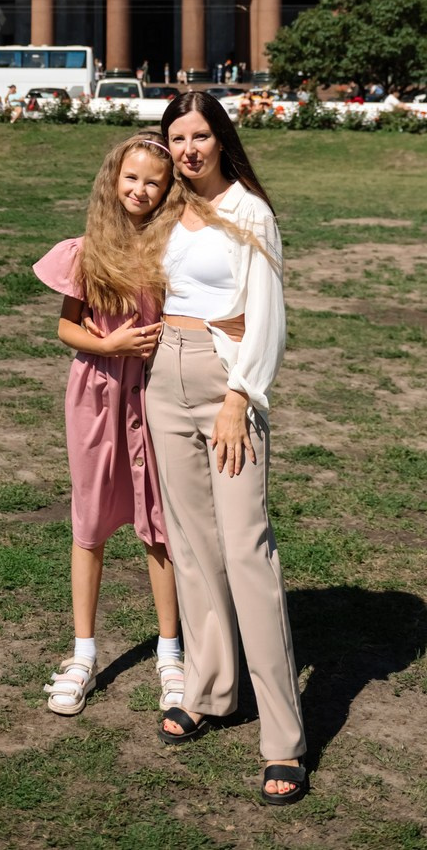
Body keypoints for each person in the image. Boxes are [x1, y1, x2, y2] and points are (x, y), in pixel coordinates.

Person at [148, 91, 308, 806]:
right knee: (191, 545)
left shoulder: (251, 212)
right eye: (176, 137)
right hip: (163, 379)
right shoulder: (161, 210)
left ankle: (284, 740)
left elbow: (267, 315)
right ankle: (212, 691)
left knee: (247, 551)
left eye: (200, 136)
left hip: (225, 381)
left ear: (222, 139)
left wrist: (241, 396)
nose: (188, 149)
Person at [33, 136, 184, 719]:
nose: (140, 190)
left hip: (153, 395)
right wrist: (110, 342)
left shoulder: (174, 249)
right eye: (131, 178)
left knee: (159, 522)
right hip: (95, 396)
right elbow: (66, 330)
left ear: (166, 190)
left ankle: (171, 653)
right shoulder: (85, 251)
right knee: (90, 522)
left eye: (153, 181)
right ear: (112, 181)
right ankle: (83, 652)